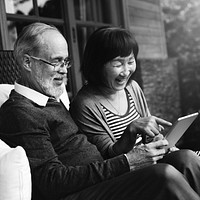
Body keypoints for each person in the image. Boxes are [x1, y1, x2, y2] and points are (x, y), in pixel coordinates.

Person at [0, 23, 200, 200]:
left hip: (102, 176)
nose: (63, 70)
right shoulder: (19, 112)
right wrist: (127, 162)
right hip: (78, 192)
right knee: (162, 175)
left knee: (185, 158)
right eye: (56, 62)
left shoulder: (49, 99)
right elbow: (52, 182)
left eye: (66, 62)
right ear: (27, 62)